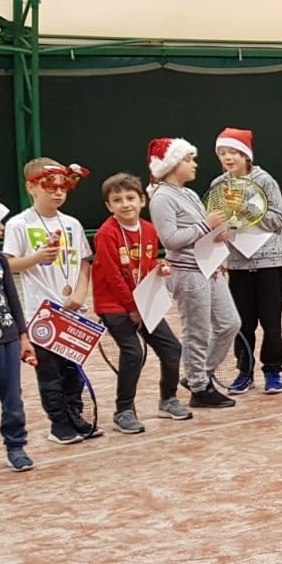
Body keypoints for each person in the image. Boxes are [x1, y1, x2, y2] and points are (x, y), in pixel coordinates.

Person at [2, 157, 102, 441]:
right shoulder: (18, 224)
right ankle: (59, 424)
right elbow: (7, 264)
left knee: (73, 370)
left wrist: (82, 292)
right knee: (50, 373)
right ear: (31, 188)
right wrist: (35, 258)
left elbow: (84, 262)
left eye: (63, 187)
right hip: (41, 313)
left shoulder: (72, 224)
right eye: (50, 187)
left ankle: (75, 416)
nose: (58, 193)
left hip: (72, 310)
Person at [91, 172, 190, 431]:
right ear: (108, 206)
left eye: (130, 198)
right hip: (115, 305)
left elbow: (144, 266)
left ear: (142, 200)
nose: (125, 204)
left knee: (172, 350)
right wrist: (132, 308)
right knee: (133, 353)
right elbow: (112, 275)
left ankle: (168, 400)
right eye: (117, 200)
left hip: (144, 302)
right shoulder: (106, 234)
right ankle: (123, 411)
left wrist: (161, 266)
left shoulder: (149, 230)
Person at [147, 137, 239, 409]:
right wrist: (205, 225)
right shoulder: (162, 197)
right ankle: (199, 387)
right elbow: (170, 240)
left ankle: (198, 375)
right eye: (188, 159)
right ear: (173, 164)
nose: (194, 164)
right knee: (196, 331)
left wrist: (217, 233)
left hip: (208, 268)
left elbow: (201, 231)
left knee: (230, 323)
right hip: (187, 272)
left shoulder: (187, 193)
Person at [211, 128, 282, 395]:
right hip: (237, 265)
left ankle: (273, 372)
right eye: (222, 153)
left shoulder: (265, 181)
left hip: (269, 264)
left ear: (246, 154)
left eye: (233, 152)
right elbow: (214, 224)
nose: (228, 158)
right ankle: (245, 372)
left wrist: (247, 211)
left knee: (271, 321)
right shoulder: (218, 185)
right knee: (242, 323)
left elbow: (278, 220)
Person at [0, 190, 35, 476]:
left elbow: (12, 299)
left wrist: (23, 335)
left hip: (6, 339)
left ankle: (16, 446)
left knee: (12, 398)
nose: (2, 228)